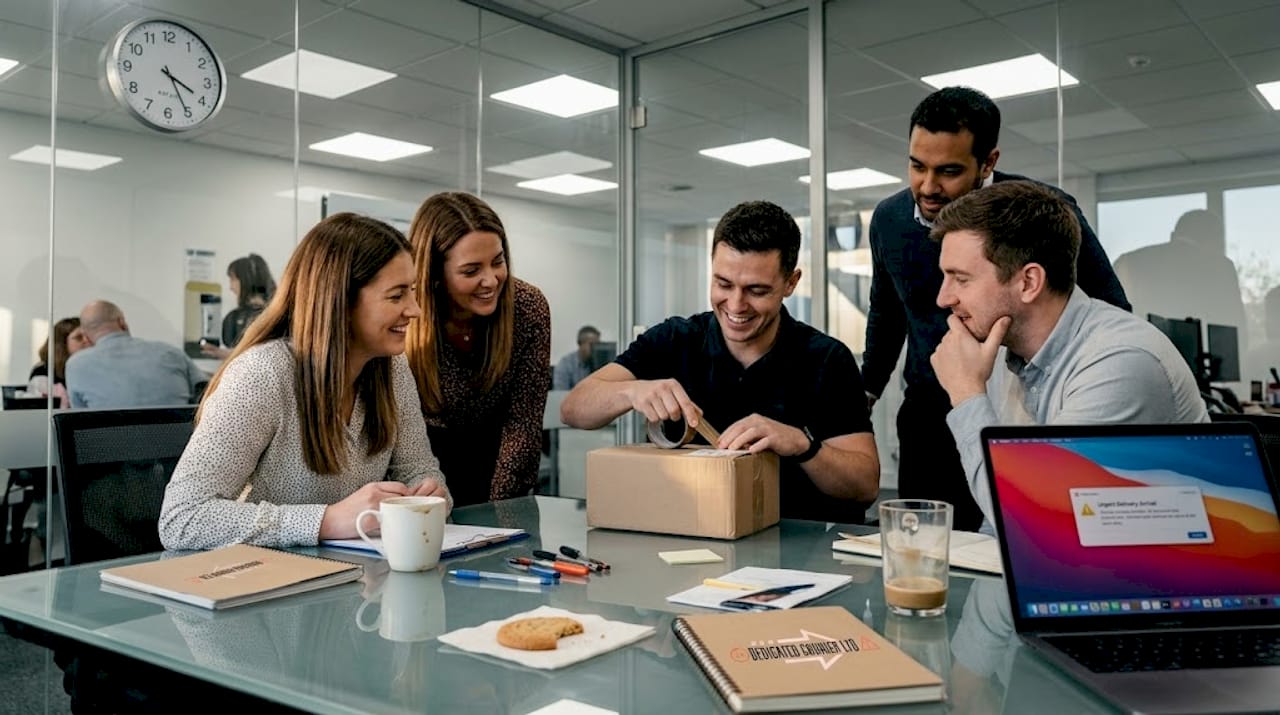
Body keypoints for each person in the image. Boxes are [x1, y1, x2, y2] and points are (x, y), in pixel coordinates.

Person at [861, 86, 1130, 531]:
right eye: (916, 166)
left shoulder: (1040, 213)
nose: (927, 187)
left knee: (1018, 532)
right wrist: (866, 392)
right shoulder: (890, 220)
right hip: (930, 412)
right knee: (925, 546)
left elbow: (1110, 308)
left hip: (1017, 407)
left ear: (988, 162)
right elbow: (886, 311)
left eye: (948, 171)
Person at [562, 200, 880, 523]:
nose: (736, 305)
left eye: (756, 290)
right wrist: (631, 391)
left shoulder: (826, 359)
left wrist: (802, 445)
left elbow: (865, 486)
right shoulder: (674, 340)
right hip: (687, 537)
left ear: (791, 283)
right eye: (723, 284)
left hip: (794, 550)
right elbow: (574, 408)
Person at [159, 213, 450, 550]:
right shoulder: (262, 375)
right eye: (397, 296)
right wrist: (327, 520)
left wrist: (428, 495)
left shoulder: (393, 370)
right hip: (269, 587)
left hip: (359, 586)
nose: (414, 310)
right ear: (340, 300)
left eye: (412, 292)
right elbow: (181, 518)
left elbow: (420, 470)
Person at [928, 181, 1207, 528]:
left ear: (1029, 282)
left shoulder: (1121, 361)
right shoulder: (1002, 353)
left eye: (961, 279)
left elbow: (1031, 516)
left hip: (1155, 575)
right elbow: (1000, 528)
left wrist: (967, 393)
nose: (944, 298)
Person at [404, 192, 551, 507]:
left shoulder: (526, 307)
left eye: (498, 262)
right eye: (471, 271)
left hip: (501, 469)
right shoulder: (405, 312)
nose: (491, 280)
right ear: (434, 275)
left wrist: (502, 520)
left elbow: (523, 426)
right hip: (421, 479)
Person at [1113, 209, 1247, 336]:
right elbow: (1236, 328)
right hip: (1197, 357)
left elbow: (1110, 318)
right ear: (1216, 240)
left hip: (1137, 352)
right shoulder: (1221, 267)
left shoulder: (1127, 262)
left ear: (1173, 236)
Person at [65, 300, 205, 408]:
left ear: (86, 335)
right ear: (122, 322)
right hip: (177, 443)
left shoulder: (75, 365)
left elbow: (79, 417)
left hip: (111, 444)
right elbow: (205, 393)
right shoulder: (171, 352)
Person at [202, 253, 277, 359]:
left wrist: (223, 354)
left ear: (245, 280)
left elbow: (260, 355)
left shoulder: (272, 317)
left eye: (233, 279)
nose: (231, 287)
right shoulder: (233, 318)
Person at [27, 316, 89, 407]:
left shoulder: (91, 368)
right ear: (61, 343)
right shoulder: (42, 373)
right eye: (79, 337)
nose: (87, 341)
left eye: (89, 336)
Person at [553, 325, 600, 390]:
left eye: (598, 344)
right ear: (580, 343)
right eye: (592, 344)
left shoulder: (599, 363)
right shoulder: (565, 364)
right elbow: (560, 393)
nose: (596, 348)